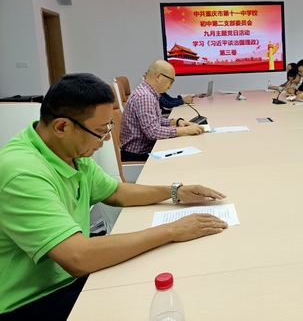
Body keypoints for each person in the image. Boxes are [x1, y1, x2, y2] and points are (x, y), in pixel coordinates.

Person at [0, 73, 228, 320]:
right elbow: (79, 257)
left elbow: (116, 192)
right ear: (62, 127)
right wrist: (172, 230)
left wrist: (175, 191)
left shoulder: (68, 151)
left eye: (109, 127)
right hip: (28, 300)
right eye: (100, 131)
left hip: (66, 279)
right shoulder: (21, 172)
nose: (107, 138)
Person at [120, 60, 204, 162]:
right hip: (138, 155)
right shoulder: (145, 96)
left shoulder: (149, 93)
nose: (171, 85)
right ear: (158, 76)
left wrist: (177, 122)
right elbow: (153, 132)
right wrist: (186, 130)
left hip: (146, 150)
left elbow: (156, 121)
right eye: (171, 81)